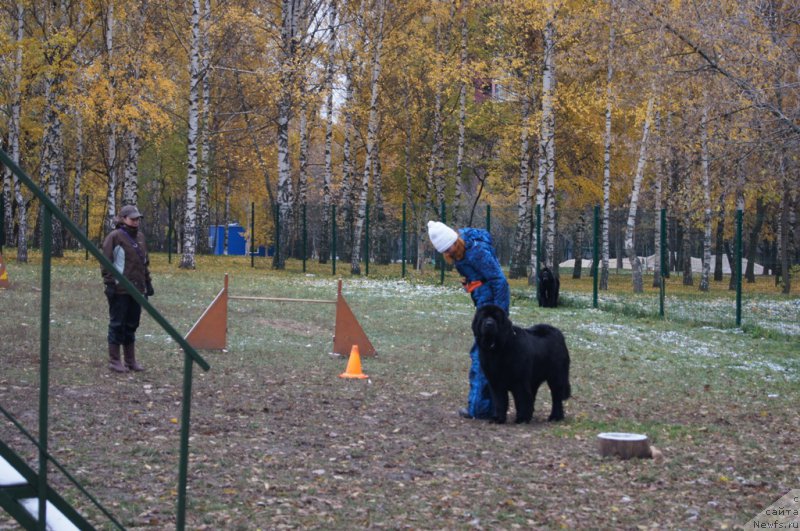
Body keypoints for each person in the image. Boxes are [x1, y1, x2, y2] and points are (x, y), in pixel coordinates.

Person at [427, 220, 510, 420]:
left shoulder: (476, 252)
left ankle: (481, 409)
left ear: (457, 240)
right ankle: (483, 407)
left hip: (491, 308)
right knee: (484, 355)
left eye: (452, 246)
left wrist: (499, 316)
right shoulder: (459, 252)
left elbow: (500, 281)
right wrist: (472, 284)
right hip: (483, 302)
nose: (451, 252)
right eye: (446, 250)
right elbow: (482, 277)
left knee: (481, 356)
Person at [101, 204, 154, 373]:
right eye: (133, 218)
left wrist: (147, 283)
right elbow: (106, 262)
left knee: (132, 324)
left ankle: (131, 361)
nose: (136, 221)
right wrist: (110, 284)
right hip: (119, 289)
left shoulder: (140, 237)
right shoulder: (114, 237)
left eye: (138, 218)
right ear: (123, 219)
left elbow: (143, 262)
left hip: (137, 290)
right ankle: (115, 360)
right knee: (117, 323)